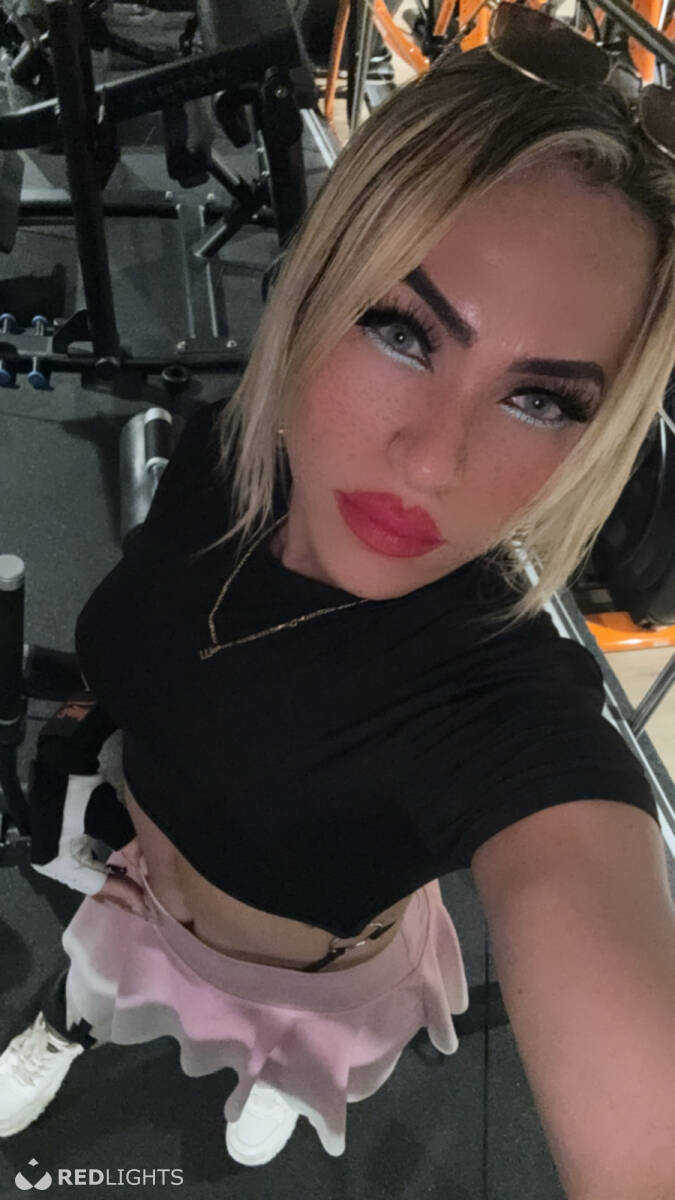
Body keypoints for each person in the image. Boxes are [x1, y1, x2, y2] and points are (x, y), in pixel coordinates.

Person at [2, 9, 675, 1192]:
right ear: (318, 284)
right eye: (402, 331)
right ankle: (70, 1024)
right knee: (96, 986)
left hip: (309, 983)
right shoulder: (230, 452)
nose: (432, 462)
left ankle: (277, 1075)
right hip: (136, 887)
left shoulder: (504, 707)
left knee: (290, 1068)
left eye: (540, 401)